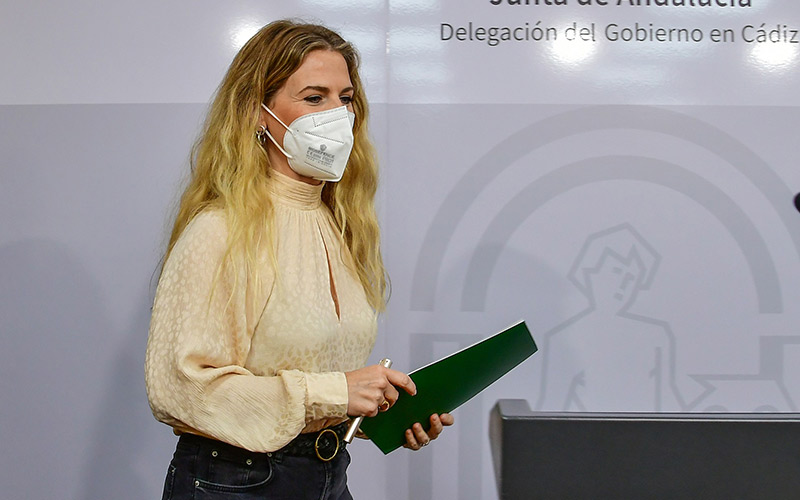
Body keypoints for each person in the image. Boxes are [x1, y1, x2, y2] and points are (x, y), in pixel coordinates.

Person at [145, 19, 453, 500]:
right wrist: (334, 392)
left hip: (328, 473)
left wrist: (379, 413)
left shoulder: (339, 224)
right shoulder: (219, 229)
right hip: (235, 482)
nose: (337, 114)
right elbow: (182, 390)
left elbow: (318, 380)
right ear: (256, 111)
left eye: (345, 98)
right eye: (314, 98)